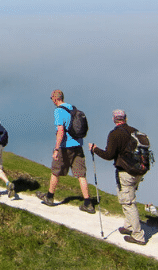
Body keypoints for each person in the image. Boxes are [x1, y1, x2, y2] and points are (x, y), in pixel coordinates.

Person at [89, 109, 147, 245]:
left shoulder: (114, 134)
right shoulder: (135, 131)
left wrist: (95, 149)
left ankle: (138, 236)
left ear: (114, 120)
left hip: (126, 172)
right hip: (139, 171)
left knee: (128, 203)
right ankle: (128, 226)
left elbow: (109, 155)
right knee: (128, 197)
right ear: (125, 118)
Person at [36, 89, 94, 213]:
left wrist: (56, 149)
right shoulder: (73, 108)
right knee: (81, 175)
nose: (51, 100)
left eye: (51, 98)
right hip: (78, 145)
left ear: (55, 98)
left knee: (55, 171)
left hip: (65, 146)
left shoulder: (58, 111)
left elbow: (61, 131)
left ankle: (49, 197)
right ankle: (88, 203)